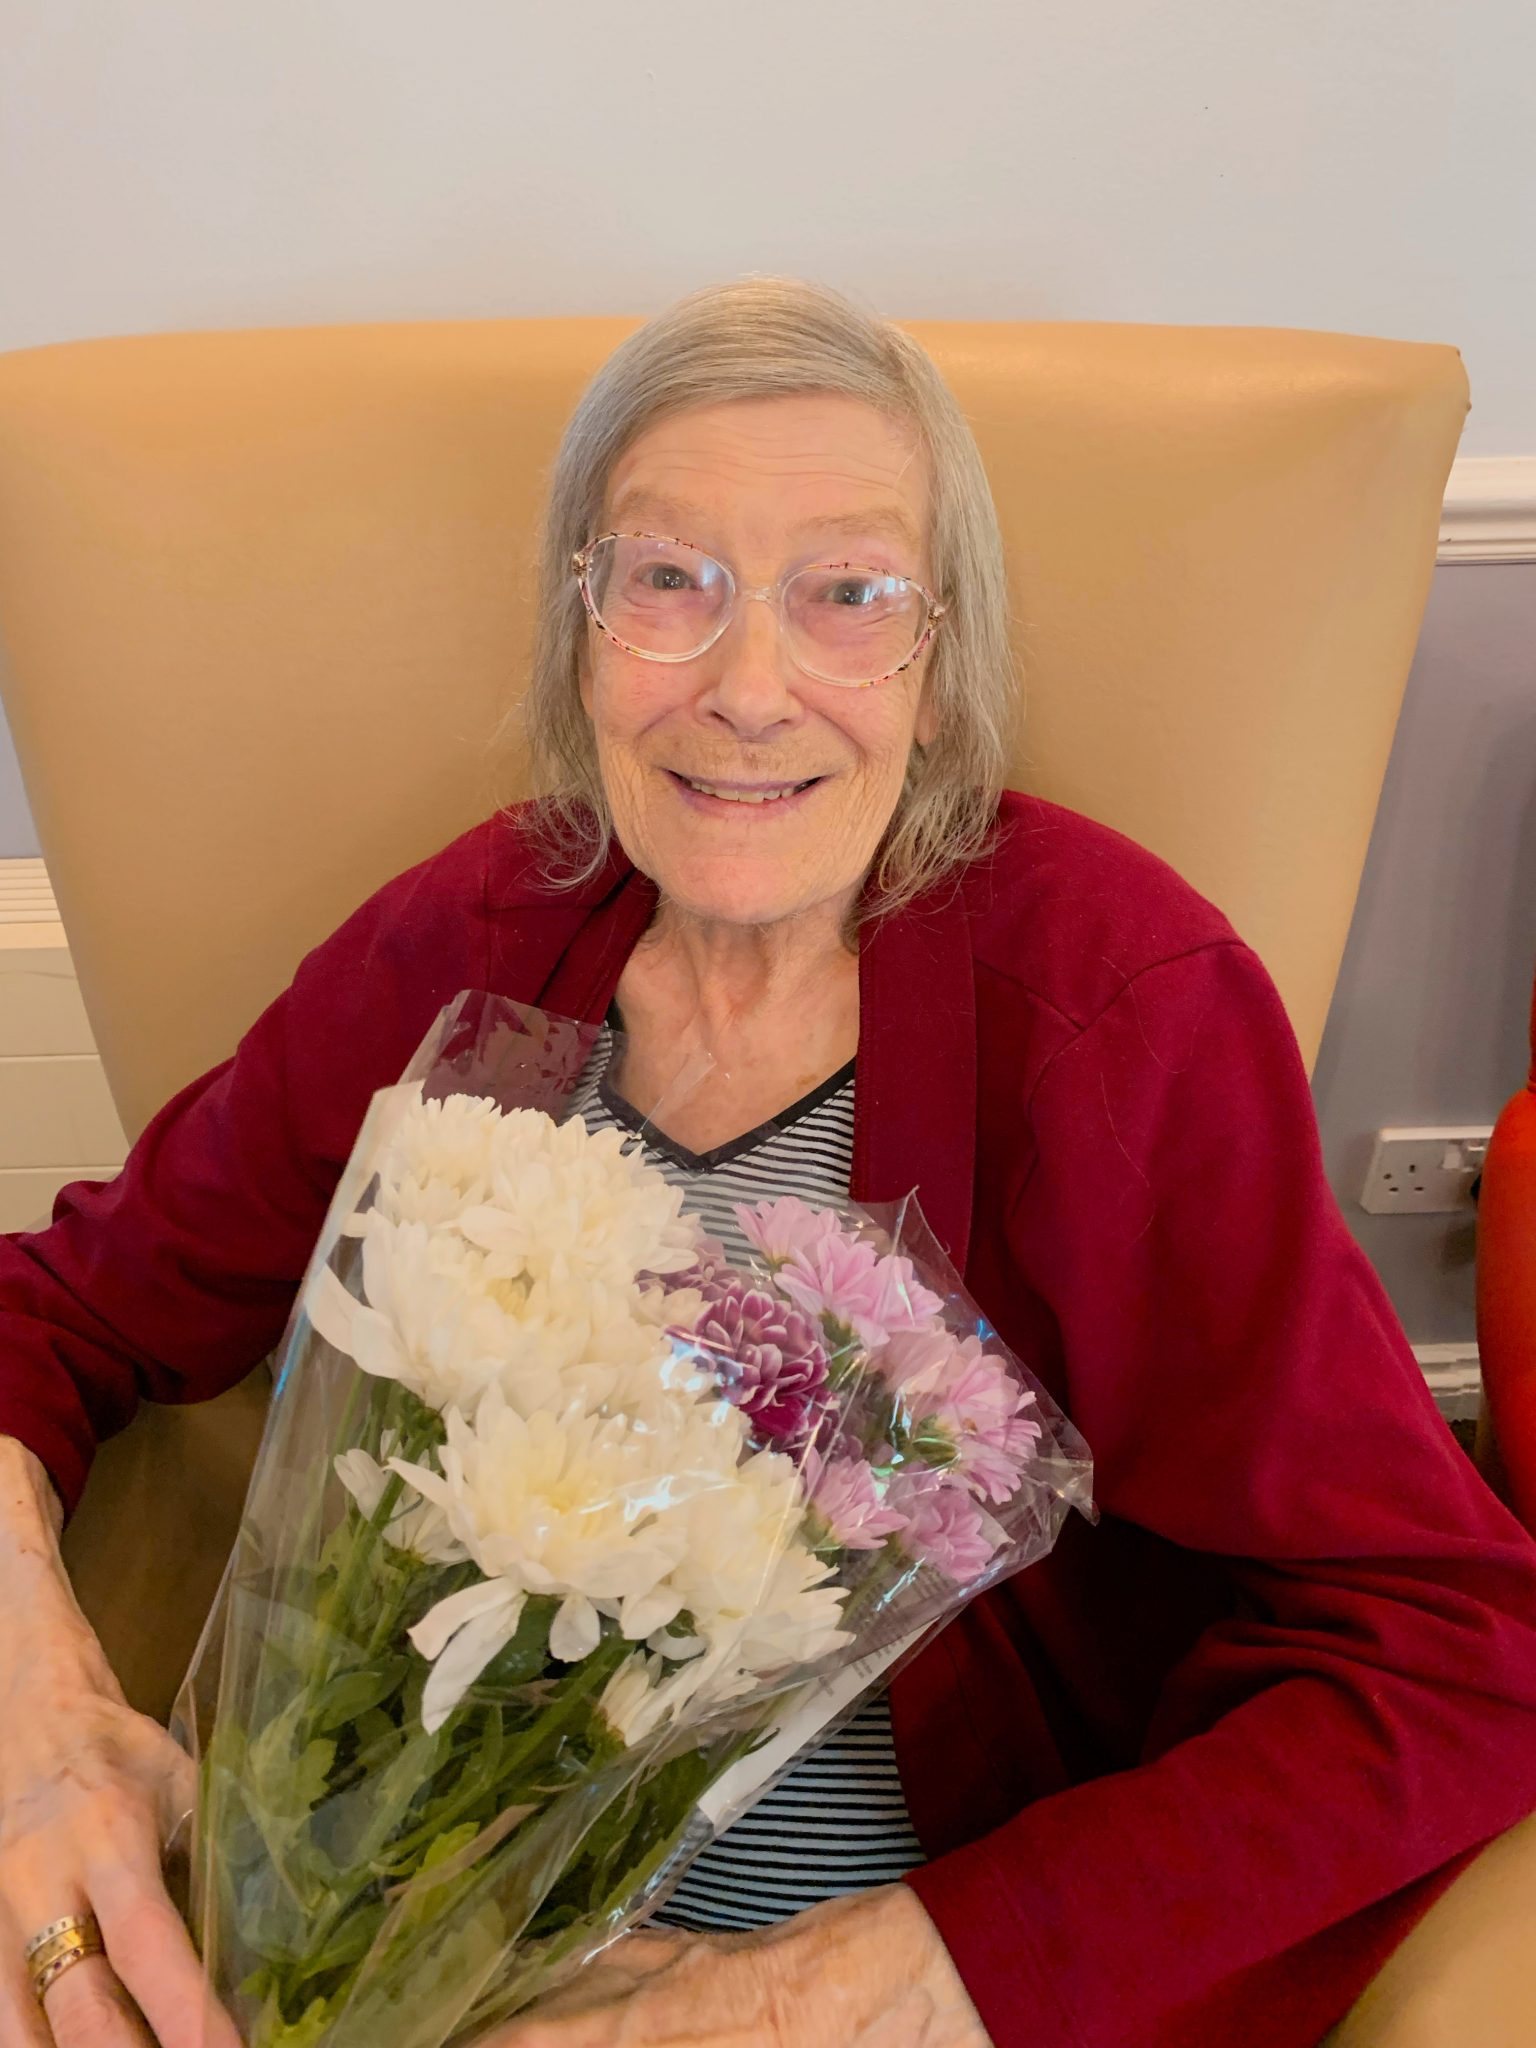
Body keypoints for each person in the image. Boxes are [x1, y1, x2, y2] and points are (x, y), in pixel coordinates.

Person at [2, 277, 1535, 2048]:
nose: (746, 690)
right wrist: (41, 1718)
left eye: (850, 594)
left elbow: (1454, 1643)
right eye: (669, 579)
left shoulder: (1117, 1005)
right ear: (581, 637)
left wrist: (824, 1992)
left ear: (941, 673)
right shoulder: (480, 938)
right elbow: (54, 1316)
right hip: (378, 1951)